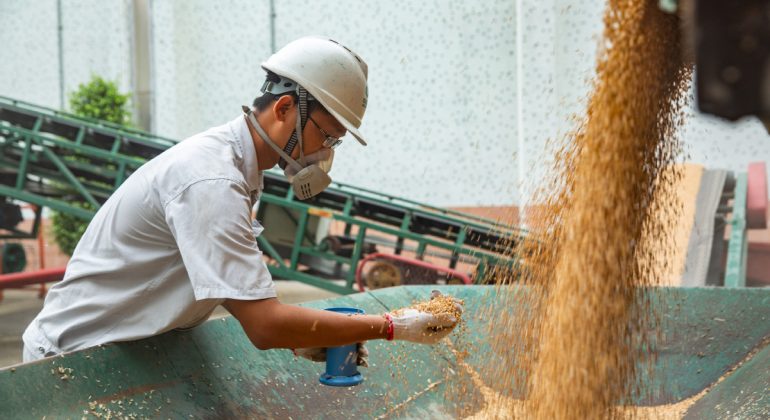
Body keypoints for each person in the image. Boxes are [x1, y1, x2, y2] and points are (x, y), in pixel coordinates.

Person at [22, 36, 460, 365]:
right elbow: (264, 324)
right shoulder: (211, 180)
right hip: (71, 359)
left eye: (335, 143)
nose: (325, 153)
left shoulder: (239, 169)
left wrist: (301, 337)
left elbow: (225, 285)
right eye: (325, 135)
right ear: (285, 108)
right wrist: (392, 325)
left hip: (119, 351)